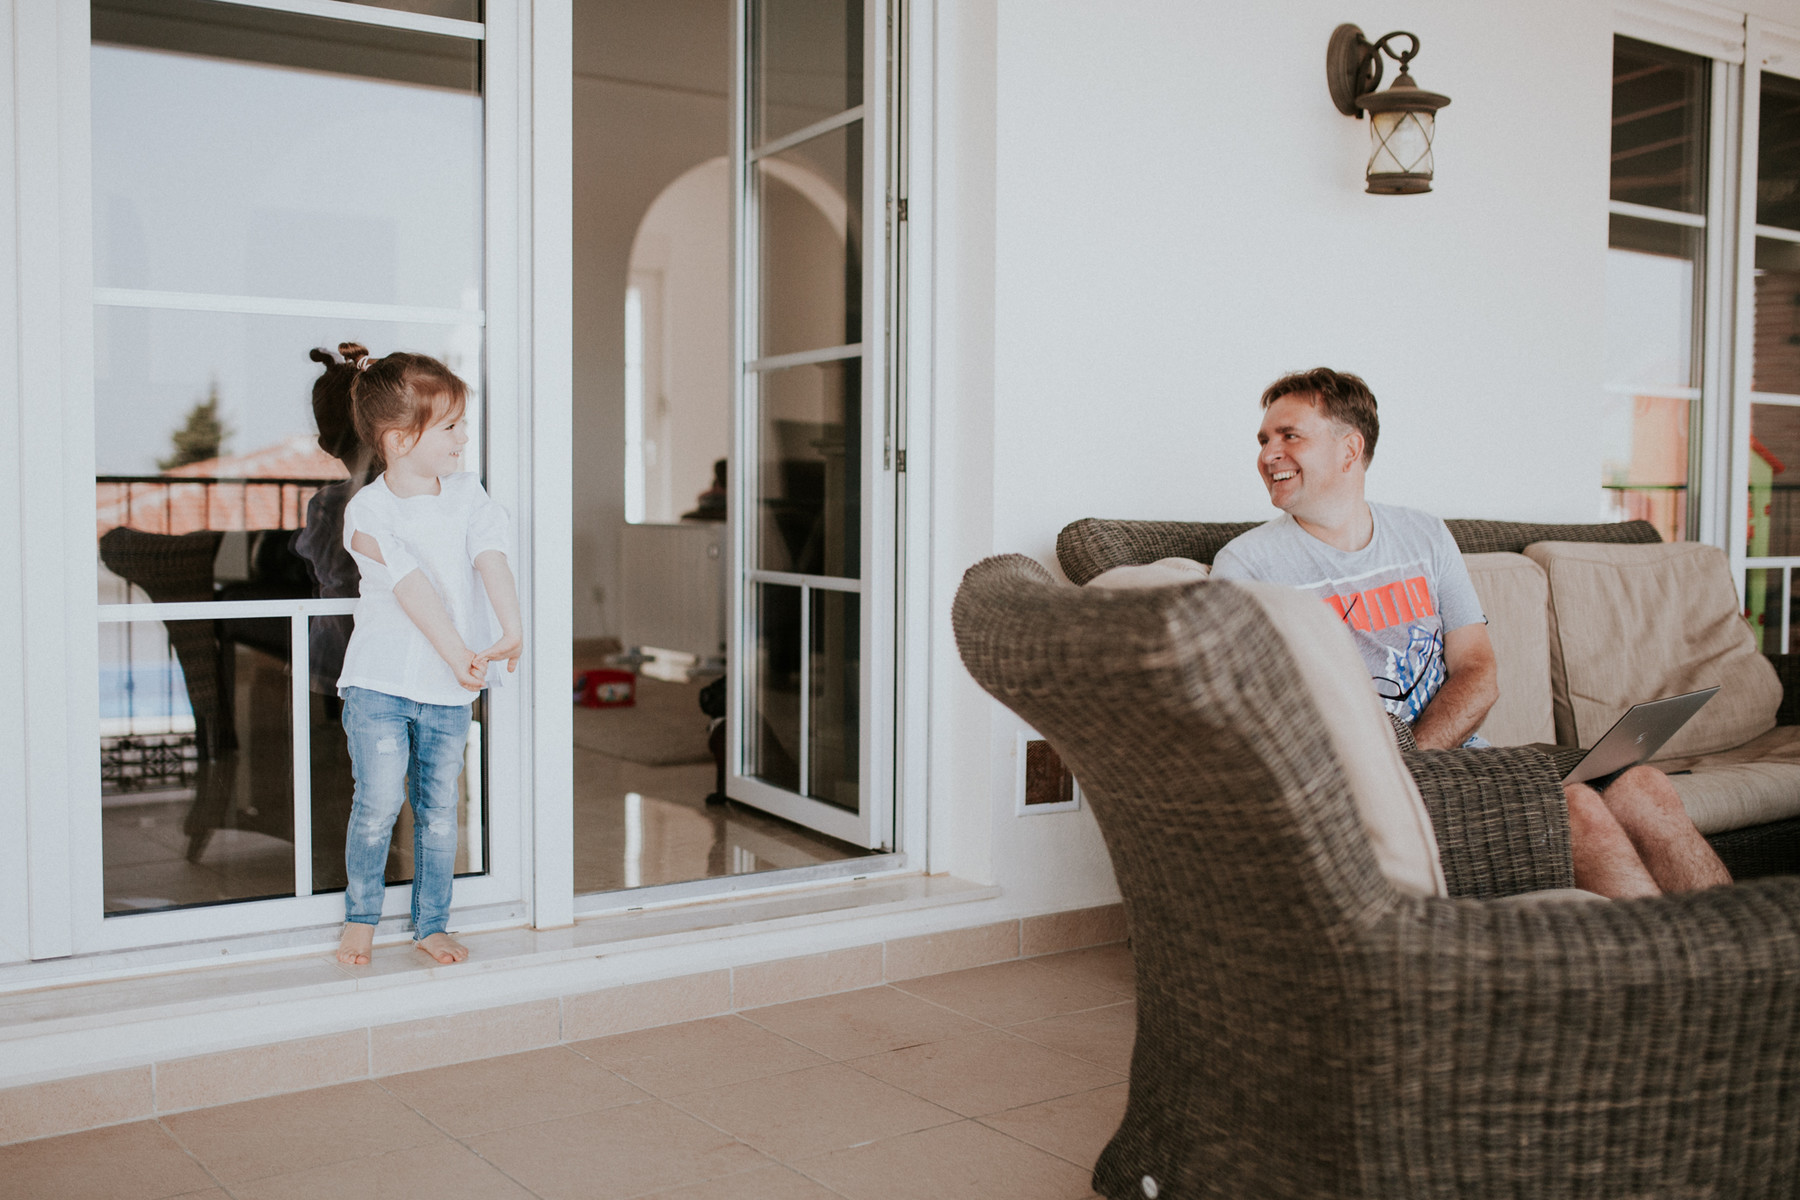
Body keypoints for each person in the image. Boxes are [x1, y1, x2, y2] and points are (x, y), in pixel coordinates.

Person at [1210, 367, 1730, 898]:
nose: (1268, 454)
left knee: (1640, 783)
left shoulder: (1425, 535)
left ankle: (1745, 953)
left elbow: (1478, 671)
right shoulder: (1248, 566)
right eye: (1264, 439)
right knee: (1574, 810)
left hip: (1458, 758)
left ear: (1350, 448)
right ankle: (1680, 974)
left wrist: (1420, 756)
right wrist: (1394, 774)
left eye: (1289, 435)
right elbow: (1255, 714)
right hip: (1368, 788)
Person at [334, 351, 523, 967]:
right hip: (381, 684)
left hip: (449, 688)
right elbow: (411, 587)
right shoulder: (368, 511)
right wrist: (463, 654)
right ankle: (360, 917)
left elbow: (490, 554)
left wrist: (512, 628)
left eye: (463, 423)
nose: (464, 437)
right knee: (380, 804)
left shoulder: (467, 492)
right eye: (450, 427)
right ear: (398, 439)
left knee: (440, 812)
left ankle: (430, 924)